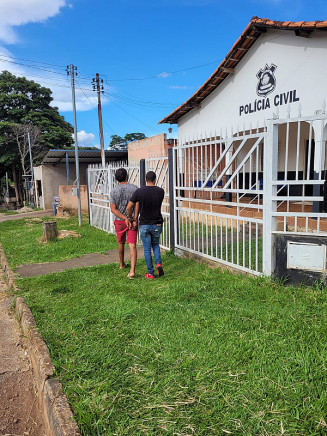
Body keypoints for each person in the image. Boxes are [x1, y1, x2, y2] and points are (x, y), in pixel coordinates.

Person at [126, 171, 164, 279]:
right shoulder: (161, 191)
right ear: (155, 179)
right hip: (157, 223)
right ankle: (158, 264)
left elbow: (129, 207)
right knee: (156, 245)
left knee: (147, 249)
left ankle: (150, 273)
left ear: (145, 180)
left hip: (144, 224)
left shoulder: (139, 192)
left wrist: (131, 217)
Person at [109, 168, 139, 279]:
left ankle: (122, 264)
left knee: (121, 243)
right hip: (132, 221)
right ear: (127, 176)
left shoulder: (113, 191)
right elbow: (137, 204)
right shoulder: (135, 188)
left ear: (116, 178)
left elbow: (113, 209)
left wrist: (124, 218)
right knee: (132, 245)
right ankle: (132, 271)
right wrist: (134, 218)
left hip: (119, 221)